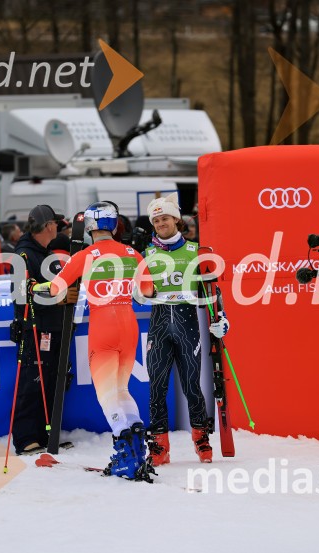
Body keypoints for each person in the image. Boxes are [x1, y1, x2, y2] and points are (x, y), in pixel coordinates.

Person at [32, 201, 155, 481]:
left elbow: (55, 288)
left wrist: (31, 287)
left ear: (89, 226)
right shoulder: (132, 253)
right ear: (113, 224)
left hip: (103, 325)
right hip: (128, 323)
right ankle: (137, 450)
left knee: (107, 394)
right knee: (122, 389)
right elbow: (147, 291)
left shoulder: (86, 255)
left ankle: (125, 454)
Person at [143, 193, 229, 466]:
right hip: (158, 326)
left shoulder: (196, 251)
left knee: (192, 385)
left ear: (176, 220)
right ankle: (159, 445)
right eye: (156, 221)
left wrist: (222, 319)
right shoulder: (147, 254)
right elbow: (138, 292)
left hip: (187, 324)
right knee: (157, 386)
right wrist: (140, 292)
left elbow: (213, 291)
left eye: (165, 218)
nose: (161, 224)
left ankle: (201, 438)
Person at [11, 205, 77, 455]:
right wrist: (57, 298)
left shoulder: (45, 253)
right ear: (48, 225)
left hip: (54, 328)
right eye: (56, 224)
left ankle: (44, 435)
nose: (58, 228)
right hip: (36, 331)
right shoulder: (24, 255)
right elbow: (21, 295)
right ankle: (27, 439)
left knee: (51, 384)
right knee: (33, 383)